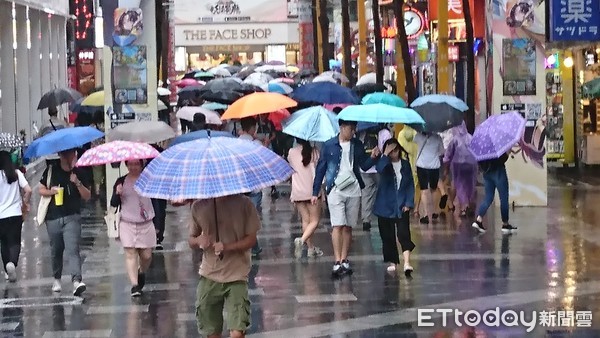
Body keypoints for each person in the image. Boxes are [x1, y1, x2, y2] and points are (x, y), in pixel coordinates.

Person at [312, 119, 378, 277]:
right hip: (335, 189)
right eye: (350, 128)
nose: (353, 132)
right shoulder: (329, 145)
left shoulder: (357, 145)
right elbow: (321, 168)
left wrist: (374, 156)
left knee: (348, 226)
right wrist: (315, 191)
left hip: (354, 189)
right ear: (342, 128)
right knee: (337, 225)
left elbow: (364, 165)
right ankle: (336, 261)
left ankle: (344, 259)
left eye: (354, 129)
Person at [189, 195, 260, 338]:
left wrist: (227, 247)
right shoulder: (198, 206)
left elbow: (251, 239)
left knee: (237, 331)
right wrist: (198, 240)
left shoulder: (245, 204)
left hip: (237, 274)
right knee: (211, 331)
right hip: (209, 274)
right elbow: (191, 239)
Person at [39, 149, 91, 296]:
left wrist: (78, 183)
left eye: (71, 154)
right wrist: (52, 191)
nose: (69, 157)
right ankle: (57, 279)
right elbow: (40, 189)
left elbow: (87, 196)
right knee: (56, 250)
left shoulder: (79, 173)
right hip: (53, 217)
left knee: (72, 248)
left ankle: (76, 280)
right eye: (65, 154)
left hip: (72, 217)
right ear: (60, 156)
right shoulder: (51, 171)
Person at [111, 160, 156, 297]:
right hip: (127, 223)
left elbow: (157, 202)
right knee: (130, 253)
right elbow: (113, 204)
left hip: (146, 223)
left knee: (147, 255)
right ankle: (135, 286)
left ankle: (141, 271)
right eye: (130, 164)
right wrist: (117, 193)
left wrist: (159, 224)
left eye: (136, 164)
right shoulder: (121, 181)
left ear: (141, 165)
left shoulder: (148, 179)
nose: (133, 167)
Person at [373, 139, 415, 275]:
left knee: (403, 233)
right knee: (387, 235)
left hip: (401, 203)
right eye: (391, 151)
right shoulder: (384, 163)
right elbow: (379, 169)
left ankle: (407, 262)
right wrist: (384, 154)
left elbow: (410, 184)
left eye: (395, 150)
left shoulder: (406, 164)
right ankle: (393, 262)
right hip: (385, 204)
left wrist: (409, 203)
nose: (394, 153)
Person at [0, 151, 32, 282]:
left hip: (0, 215)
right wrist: (25, 202)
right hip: (15, 213)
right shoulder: (16, 174)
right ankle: (12, 263)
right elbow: (28, 190)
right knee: (14, 242)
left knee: (4, 242)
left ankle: (7, 271)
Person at [289, 138, 323, 258]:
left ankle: (310, 248)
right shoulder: (315, 152)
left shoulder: (291, 152)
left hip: (298, 191)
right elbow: (319, 171)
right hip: (312, 191)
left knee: (305, 220)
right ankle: (301, 240)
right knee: (314, 221)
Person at [472, 153, 517, 234]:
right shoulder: (496, 147)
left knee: (488, 197)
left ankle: (478, 220)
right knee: (503, 197)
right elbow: (503, 159)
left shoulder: (483, 148)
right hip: (499, 172)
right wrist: (508, 152)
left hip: (487, 173)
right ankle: (505, 224)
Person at [358, 125, 392, 231]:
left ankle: (366, 220)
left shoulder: (362, 132)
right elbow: (389, 149)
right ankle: (385, 215)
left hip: (365, 169)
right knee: (384, 193)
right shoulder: (385, 133)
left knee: (366, 195)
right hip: (380, 169)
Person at [238, 117, 263, 257]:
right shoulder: (257, 144)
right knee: (252, 218)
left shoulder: (234, 143)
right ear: (253, 128)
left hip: (241, 187)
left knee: (243, 217)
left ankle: (252, 246)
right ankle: (253, 246)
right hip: (254, 187)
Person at [443, 123, 477, 217]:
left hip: (458, 165)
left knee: (460, 185)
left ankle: (464, 207)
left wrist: (446, 167)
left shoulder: (455, 140)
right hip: (471, 164)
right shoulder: (471, 137)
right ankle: (469, 203)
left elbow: (448, 155)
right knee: (470, 185)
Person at [413, 131, 445, 224]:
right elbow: (441, 152)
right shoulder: (437, 137)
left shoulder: (418, 136)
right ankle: (434, 211)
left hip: (421, 166)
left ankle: (426, 214)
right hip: (434, 166)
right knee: (434, 189)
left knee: (424, 190)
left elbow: (415, 144)